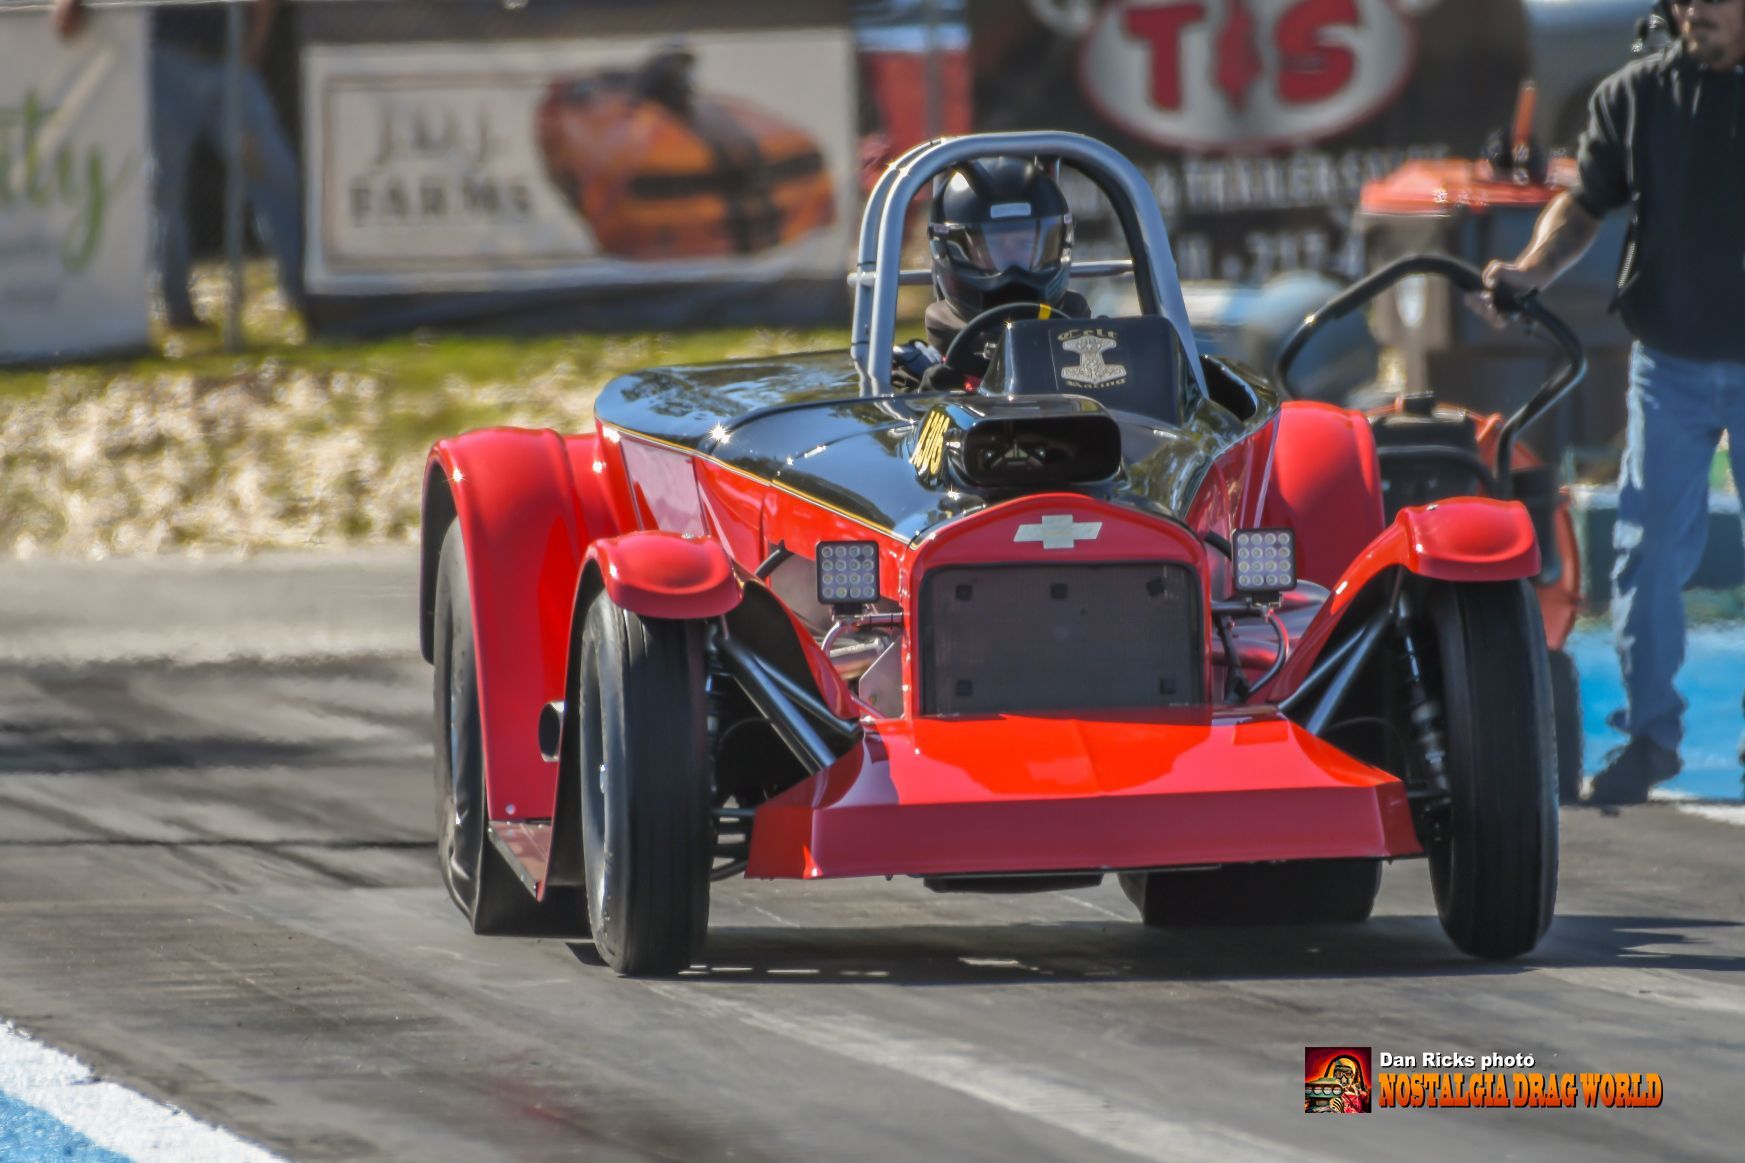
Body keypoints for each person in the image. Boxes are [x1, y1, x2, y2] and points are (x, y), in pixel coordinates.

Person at [1480, 0, 1745, 805]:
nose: (1697, 8)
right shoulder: (1633, 96)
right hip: (1666, 358)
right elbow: (1585, 201)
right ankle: (1648, 738)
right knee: (1642, 549)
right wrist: (1528, 270)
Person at [53, 0, 305, 328]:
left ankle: (305, 295)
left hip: (228, 62)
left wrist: (252, 46)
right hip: (166, 61)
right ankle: (175, 307)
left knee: (276, 176)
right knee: (163, 191)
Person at [895, 156, 1088, 390]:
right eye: (990, 249)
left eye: (1025, 246)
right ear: (948, 251)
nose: (1012, 270)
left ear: (1057, 245)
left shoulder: (1101, 350)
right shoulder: (915, 371)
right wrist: (928, 405)